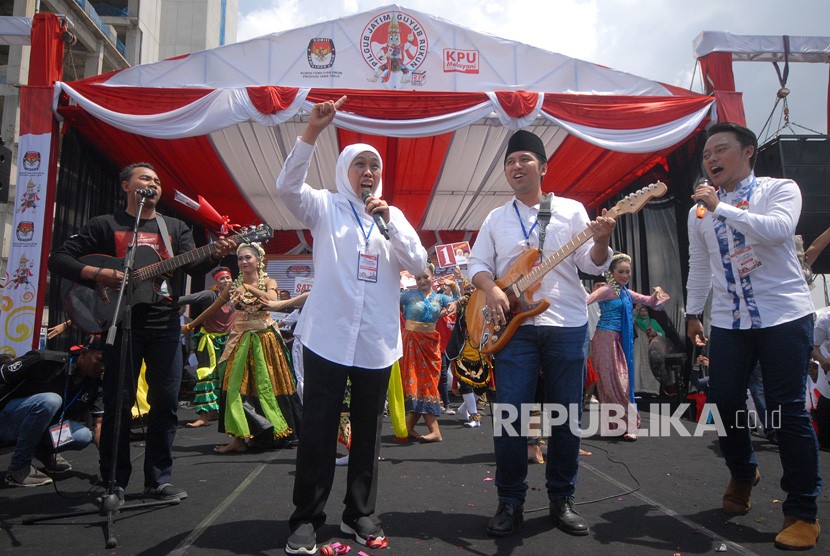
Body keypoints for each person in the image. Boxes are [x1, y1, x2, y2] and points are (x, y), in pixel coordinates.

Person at [276, 96, 428, 554]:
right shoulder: (324, 206)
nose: (368, 173)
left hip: (376, 340)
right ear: (345, 169)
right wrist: (311, 133)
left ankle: (359, 514)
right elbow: (286, 187)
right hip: (327, 335)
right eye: (360, 164)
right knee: (319, 431)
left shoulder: (392, 215)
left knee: (367, 431)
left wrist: (388, 222)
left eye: (374, 167)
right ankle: (306, 518)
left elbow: (418, 262)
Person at [47, 162, 236, 502]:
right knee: (119, 403)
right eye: (145, 178)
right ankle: (114, 482)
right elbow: (59, 259)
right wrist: (98, 274)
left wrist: (214, 255)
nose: (153, 183)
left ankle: (159, 479)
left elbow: (190, 263)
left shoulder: (173, 227)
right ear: (125, 186)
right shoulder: (105, 225)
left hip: (164, 322)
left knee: (165, 402)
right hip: (120, 324)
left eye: (157, 180)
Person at [467, 129, 616, 538]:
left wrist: (601, 241)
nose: (516, 166)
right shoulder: (496, 218)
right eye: (510, 161)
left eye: (525, 160)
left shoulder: (571, 210)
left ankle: (561, 499)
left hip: (567, 324)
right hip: (515, 331)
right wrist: (493, 288)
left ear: (544, 167)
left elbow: (592, 265)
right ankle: (510, 501)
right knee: (511, 418)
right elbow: (476, 264)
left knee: (566, 417)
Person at [686, 122, 821, 550]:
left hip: (783, 315)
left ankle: (802, 510)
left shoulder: (780, 189)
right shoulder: (698, 213)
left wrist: (722, 207)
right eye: (707, 155)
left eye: (720, 150)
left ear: (748, 152)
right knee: (724, 401)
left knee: (788, 412)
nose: (711, 161)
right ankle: (744, 472)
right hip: (730, 320)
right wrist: (693, 313)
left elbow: (778, 230)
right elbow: (701, 265)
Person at [184, 243, 306, 453]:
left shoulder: (268, 282)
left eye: (247, 258)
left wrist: (248, 288)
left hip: (265, 341)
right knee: (232, 386)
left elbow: (272, 300)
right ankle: (238, 439)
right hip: (240, 341)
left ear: (258, 260)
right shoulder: (233, 287)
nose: (243, 262)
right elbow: (212, 308)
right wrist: (190, 325)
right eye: (240, 259)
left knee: (268, 387)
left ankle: (273, 431)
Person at [586, 253, 670, 441]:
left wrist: (657, 295)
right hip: (605, 338)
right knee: (612, 383)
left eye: (627, 272)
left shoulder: (626, 292)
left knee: (623, 382)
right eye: (621, 272)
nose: (625, 275)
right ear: (612, 273)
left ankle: (625, 425)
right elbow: (585, 301)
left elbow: (649, 302)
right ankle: (618, 425)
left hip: (620, 339)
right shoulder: (607, 290)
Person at [1, 338, 105, 487]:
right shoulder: (45, 360)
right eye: (100, 360)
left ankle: (43, 451)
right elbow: (3, 374)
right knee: (51, 400)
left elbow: (99, 425)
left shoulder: (95, 385)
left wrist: (107, 464)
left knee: (82, 435)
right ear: (84, 352)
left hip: (38, 430)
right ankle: (18, 468)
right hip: (6, 422)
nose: (103, 368)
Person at [400, 263, 458, 442]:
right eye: (418, 278)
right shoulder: (407, 295)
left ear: (433, 276)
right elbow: (388, 304)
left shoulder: (440, 298)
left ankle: (411, 428)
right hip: (411, 342)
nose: (422, 281)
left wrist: (455, 293)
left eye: (426, 277)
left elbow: (456, 301)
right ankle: (430, 430)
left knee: (428, 384)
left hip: (431, 344)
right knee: (415, 384)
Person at [176, 266, 236, 428]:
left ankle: (215, 411)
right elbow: (185, 299)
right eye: (222, 279)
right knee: (205, 376)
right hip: (208, 341)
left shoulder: (237, 296)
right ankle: (203, 415)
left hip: (228, 341)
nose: (226, 281)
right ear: (216, 283)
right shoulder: (210, 295)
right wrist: (165, 301)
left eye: (228, 278)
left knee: (225, 377)